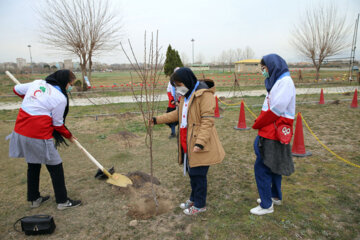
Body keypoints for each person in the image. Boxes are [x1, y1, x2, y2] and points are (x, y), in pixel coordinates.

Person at [151, 67, 225, 216]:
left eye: (179, 84)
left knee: (198, 175)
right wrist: (156, 120)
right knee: (193, 173)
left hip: (198, 142)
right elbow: (177, 114)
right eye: (176, 86)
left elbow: (207, 121)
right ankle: (193, 199)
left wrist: (200, 143)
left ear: (187, 81)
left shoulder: (204, 95)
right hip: (187, 139)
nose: (178, 88)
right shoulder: (186, 95)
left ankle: (200, 205)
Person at [8, 70, 81, 210]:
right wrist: (69, 136)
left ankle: (34, 198)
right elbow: (58, 124)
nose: (69, 87)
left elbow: (16, 89)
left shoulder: (38, 83)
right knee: (56, 167)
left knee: (33, 165)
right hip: (38, 134)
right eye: (69, 84)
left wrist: (32, 98)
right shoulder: (60, 97)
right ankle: (62, 201)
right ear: (64, 82)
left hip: (20, 130)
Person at [250, 54, 295, 215]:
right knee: (274, 165)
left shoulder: (285, 82)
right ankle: (275, 196)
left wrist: (258, 122)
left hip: (272, 132)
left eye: (264, 68)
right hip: (269, 130)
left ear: (273, 66)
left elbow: (276, 109)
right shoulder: (278, 82)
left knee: (262, 167)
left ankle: (266, 204)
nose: (263, 72)